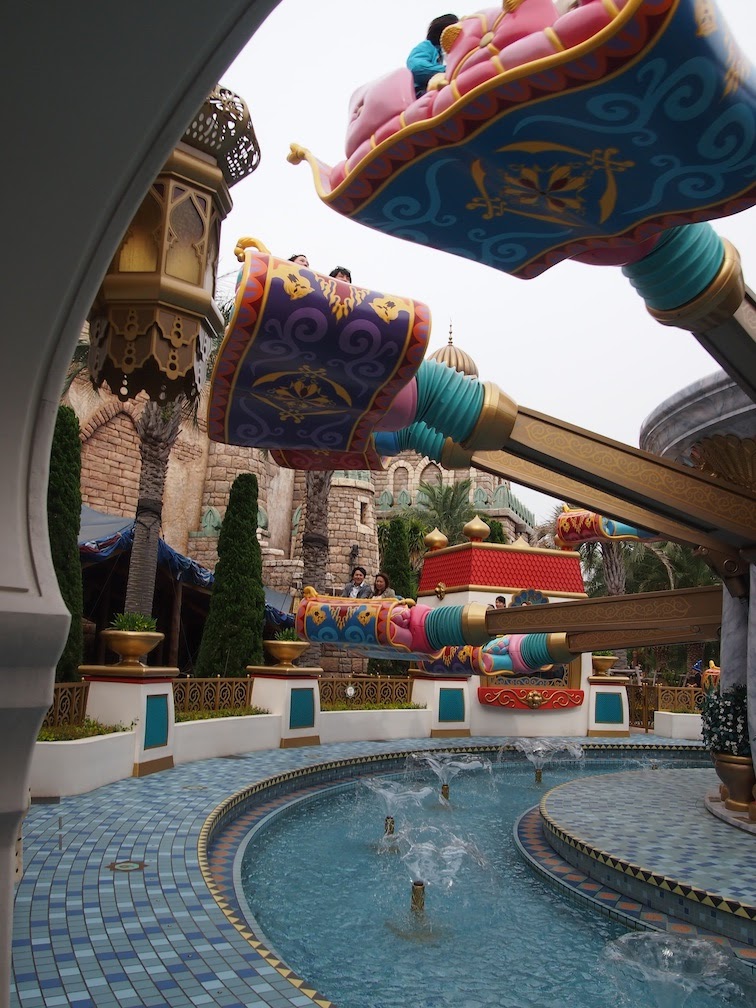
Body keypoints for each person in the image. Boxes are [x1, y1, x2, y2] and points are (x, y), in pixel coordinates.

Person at [406, 14, 458, 97]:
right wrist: (451, 70)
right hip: (424, 92)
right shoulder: (427, 46)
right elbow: (417, 68)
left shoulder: (452, 53)